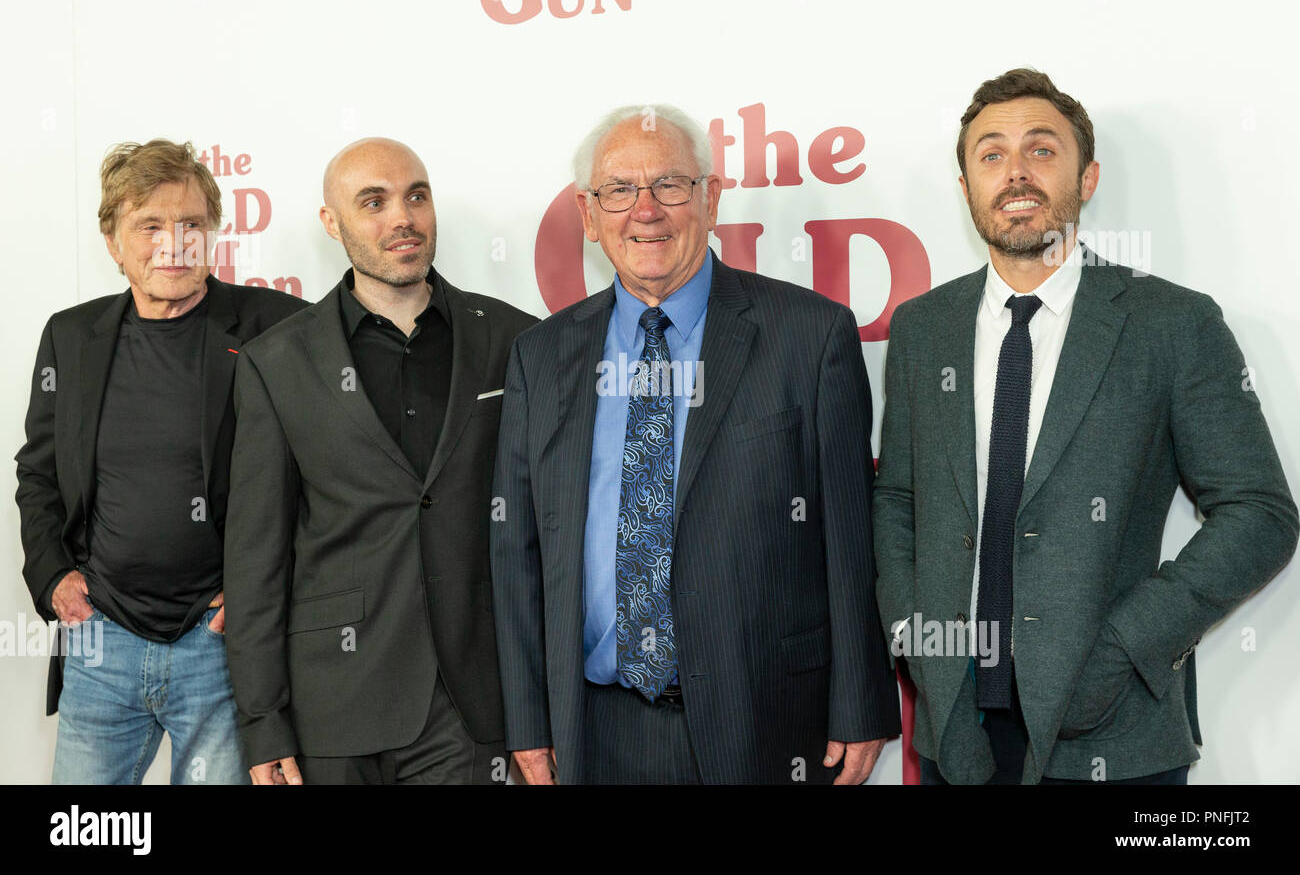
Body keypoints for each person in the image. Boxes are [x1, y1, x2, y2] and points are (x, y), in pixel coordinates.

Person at [873, 68, 1298, 784]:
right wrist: (918, 637)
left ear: (1088, 176)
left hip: (1114, 732)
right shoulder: (923, 329)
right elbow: (898, 501)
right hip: (958, 734)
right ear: (967, 187)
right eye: (990, 154)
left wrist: (1126, 645)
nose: (1015, 171)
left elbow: (1260, 515)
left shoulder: (1172, 323)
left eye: (1041, 150)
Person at [491, 104, 900, 784]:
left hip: (765, 722)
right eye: (618, 190)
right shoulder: (541, 357)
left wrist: (860, 700)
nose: (644, 210)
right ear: (589, 216)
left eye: (670, 185)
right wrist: (528, 719)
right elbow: (516, 553)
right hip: (596, 729)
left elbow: (851, 536)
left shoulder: (810, 335)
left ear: (710, 201)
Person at [223, 137, 537, 785]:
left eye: (416, 195)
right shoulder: (276, 362)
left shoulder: (513, 339)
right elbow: (256, 558)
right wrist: (262, 723)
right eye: (374, 201)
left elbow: (546, 533)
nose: (403, 217)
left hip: (472, 704)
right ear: (331, 223)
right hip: (330, 709)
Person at [15, 138, 307, 784]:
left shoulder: (275, 327)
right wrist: (52, 574)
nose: (173, 242)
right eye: (149, 225)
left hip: (222, 644)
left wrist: (264, 587)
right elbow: (38, 473)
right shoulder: (71, 336)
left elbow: (326, 476)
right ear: (114, 242)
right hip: (101, 641)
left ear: (213, 235)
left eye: (191, 224)